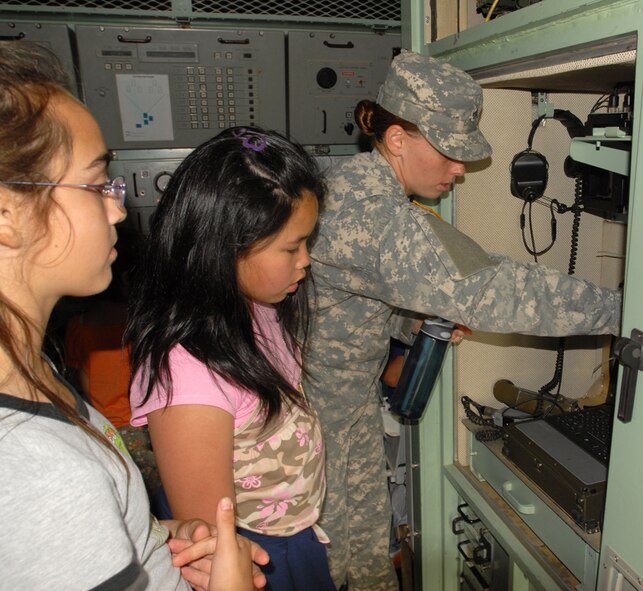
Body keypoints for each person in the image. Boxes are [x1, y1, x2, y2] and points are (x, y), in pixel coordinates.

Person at [302, 50, 622, 591]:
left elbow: (349, 291)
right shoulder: (374, 217)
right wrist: (624, 311)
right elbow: (494, 288)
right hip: (319, 427)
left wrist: (409, 323)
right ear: (398, 139)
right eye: (450, 152)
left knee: (368, 561)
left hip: (342, 409)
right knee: (332, 568)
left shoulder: (362, 186)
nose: (460, 168)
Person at [0, 40, 268, 590]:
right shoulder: (36, 472)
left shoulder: (29, 376)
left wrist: (152, 541)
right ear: (7, 214)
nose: (118, 208)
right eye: (97, 184)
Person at [126, 126, 335, 591]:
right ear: (227, 247)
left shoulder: (260, 307)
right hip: (251, 557)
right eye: (291, 247)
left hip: (291, 538)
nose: (306, 260)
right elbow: (207, 536)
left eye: (308, 243)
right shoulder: (187, 375)